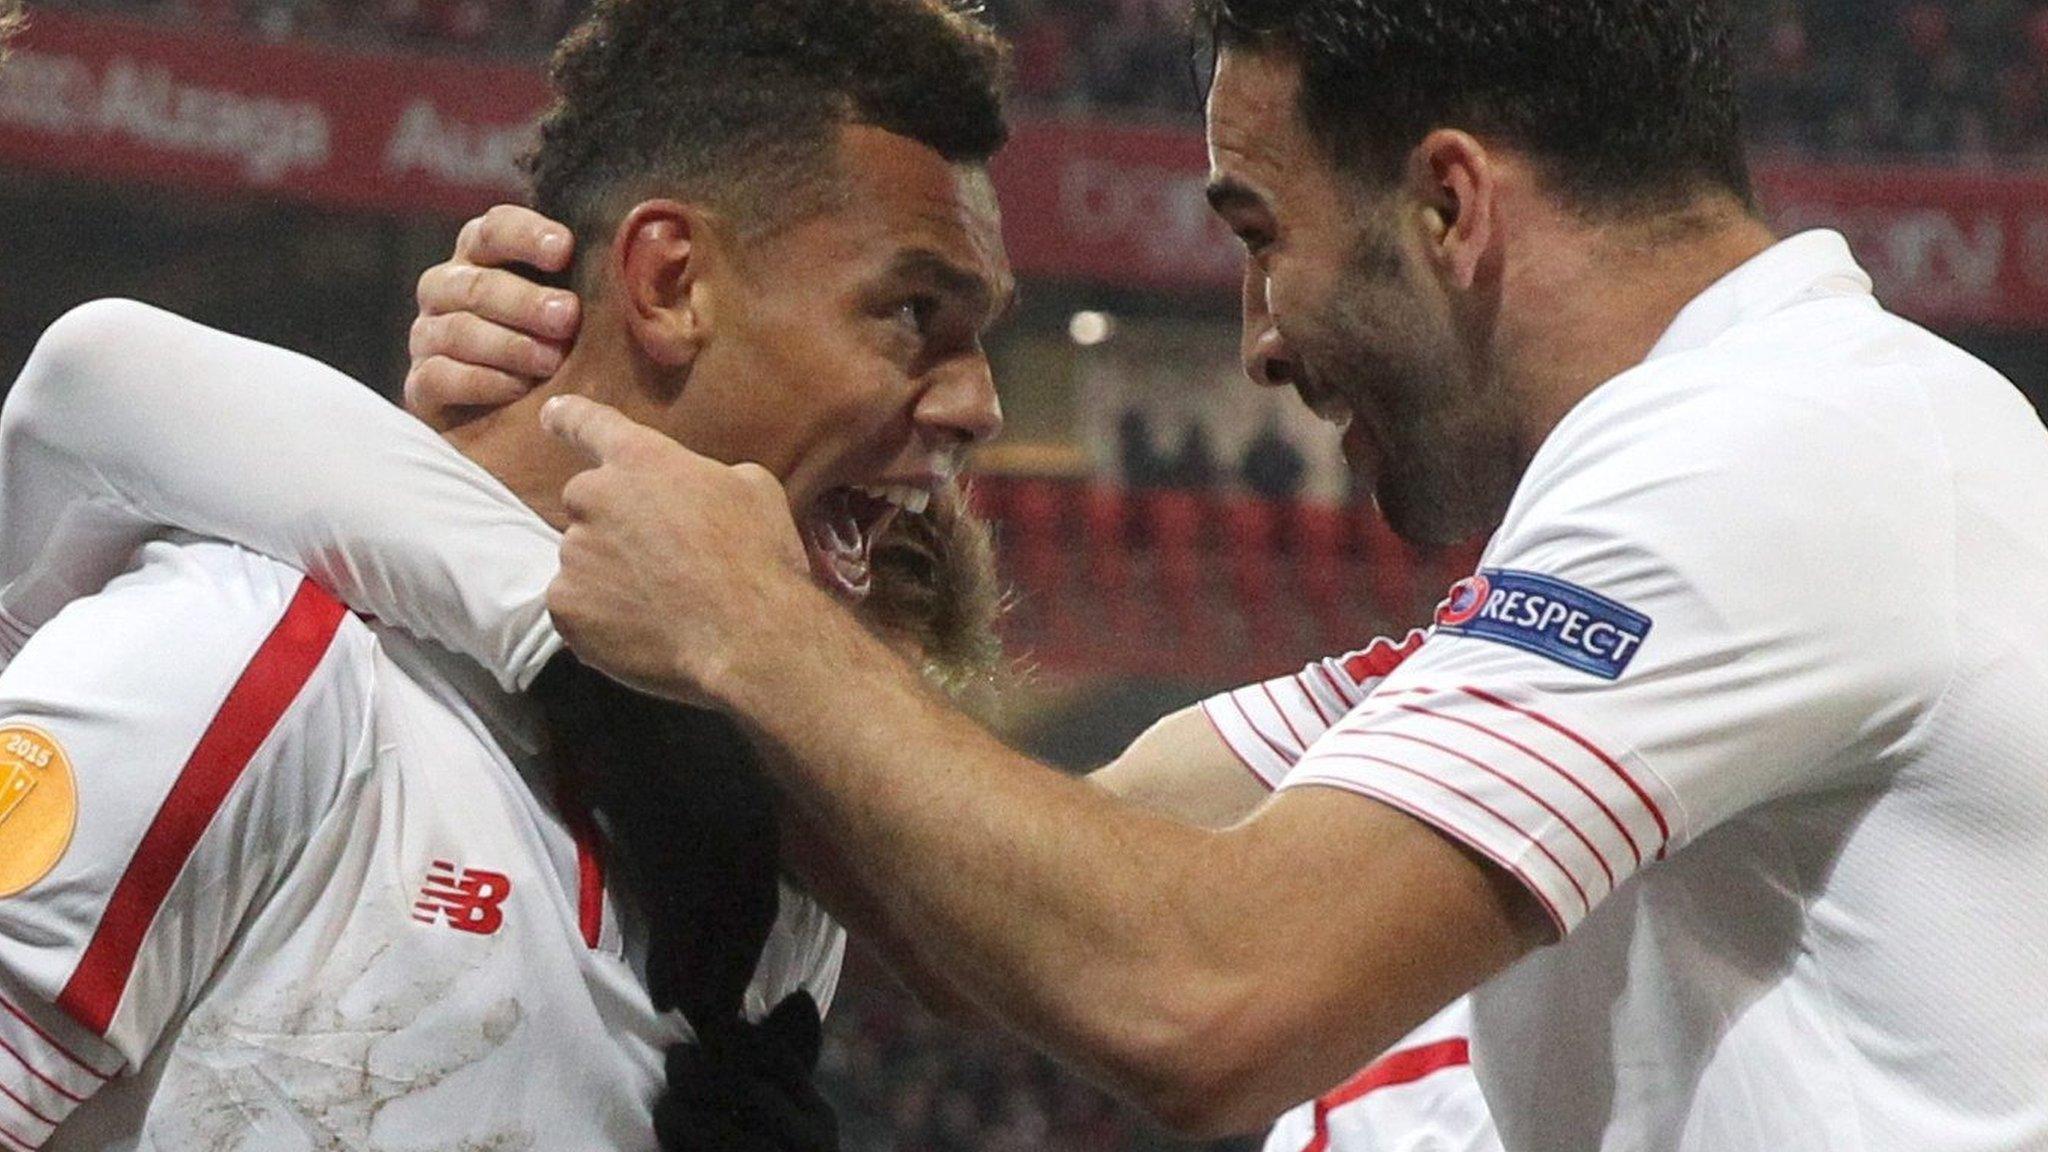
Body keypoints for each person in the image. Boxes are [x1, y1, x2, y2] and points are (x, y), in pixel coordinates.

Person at [508, 0, 2048, 1148]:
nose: (1257, 339)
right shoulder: (1731, 485)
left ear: (1449, 208)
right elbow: (1033, 879)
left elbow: (1201, 995)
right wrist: (500, 471)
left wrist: (757, 624)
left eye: (1262, 235)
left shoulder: (1777, 453)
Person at [0, 0, 1013, 1145]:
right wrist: (549, 625)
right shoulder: (252, 661)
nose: (982, 405)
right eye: (913, 311)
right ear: (671, 281)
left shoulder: (763, 883)